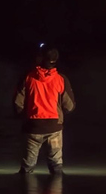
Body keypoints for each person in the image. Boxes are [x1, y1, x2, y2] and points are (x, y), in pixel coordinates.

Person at [13, 45, 75, 174]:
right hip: (54, 127)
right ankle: (57, 190)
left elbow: (18, 104)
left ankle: (26, 190)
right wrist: (61, 115)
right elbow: (69, 106)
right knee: (56, 167)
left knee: (27, 168)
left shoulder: (28, 77)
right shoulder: (61, 79)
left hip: (33, 126)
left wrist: (24, 119)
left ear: (40, 58)